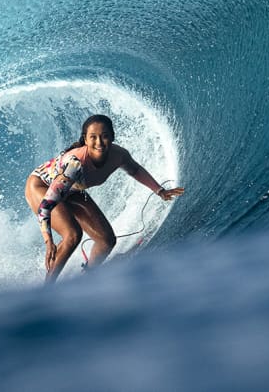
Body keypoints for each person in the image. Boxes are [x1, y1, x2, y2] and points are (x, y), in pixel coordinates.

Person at [25, 114, 184, 282]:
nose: (99, 143)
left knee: (106, 240)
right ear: (85, 139)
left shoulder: (119, 155)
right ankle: (47, 288)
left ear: (112, 137)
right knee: (72, 234)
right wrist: (48, 241)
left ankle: (88, 277)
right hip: (41, 186)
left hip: (71, 189)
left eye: (105, 136)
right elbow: (45, 207)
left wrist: (160, 191)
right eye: (93, 137)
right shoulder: (75, 165)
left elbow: (135, 170)